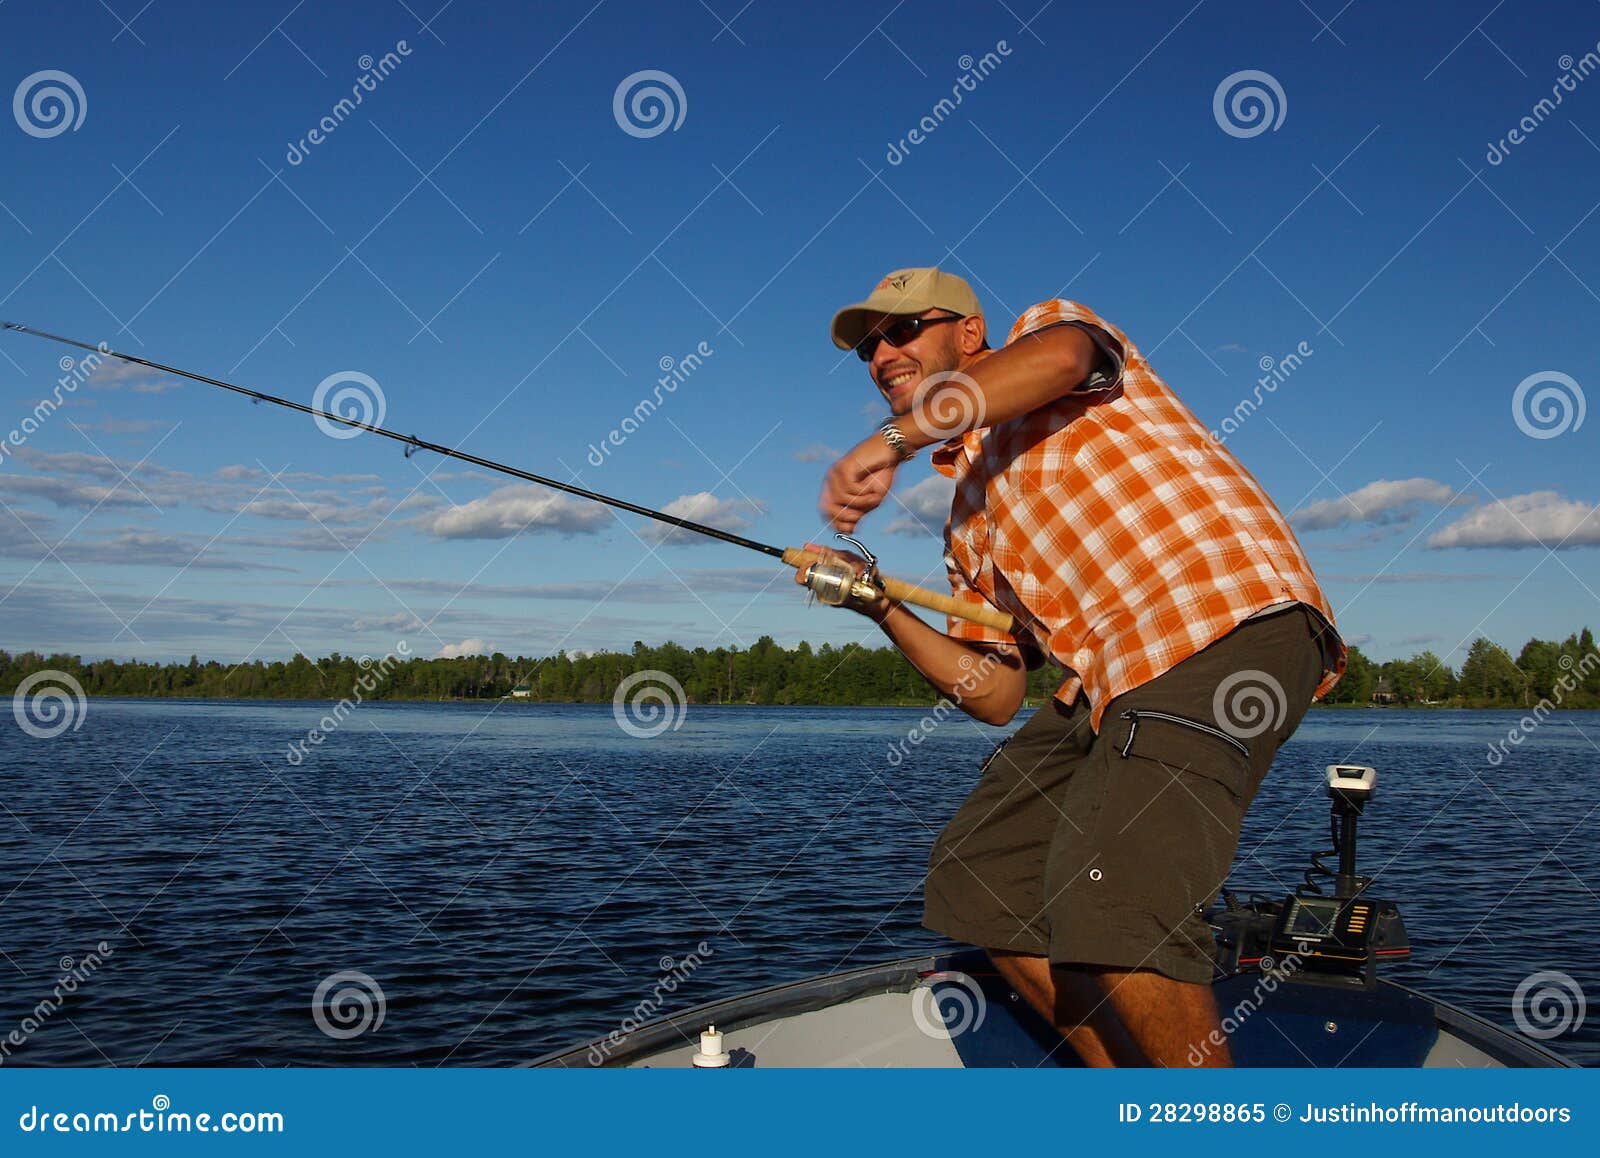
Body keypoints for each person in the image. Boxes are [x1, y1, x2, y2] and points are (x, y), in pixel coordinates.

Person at [802, 267, 1346, 1067]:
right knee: (982, 873)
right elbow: (995, 691)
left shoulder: (1051, 334)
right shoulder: (967, 527)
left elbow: (1059, 361)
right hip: (1109, 680)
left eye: (903, 328)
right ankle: (1126, 1094)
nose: (883, 352)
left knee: (1114, 900)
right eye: (868, 347)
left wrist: (890, 443)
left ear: (971, 333)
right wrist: (879, 605)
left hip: (1219, 623)